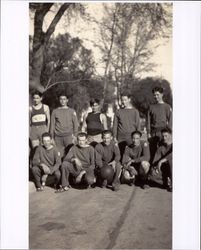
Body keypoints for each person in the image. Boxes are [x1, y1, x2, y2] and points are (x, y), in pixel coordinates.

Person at [147, 86, 172, 162]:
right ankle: (152, 171)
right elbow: (148, 121)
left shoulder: (167, 106)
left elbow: (171, 120)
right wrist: (148, 133)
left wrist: (169, 133)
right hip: (153, 133)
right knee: (152, 151)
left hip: (163, 133)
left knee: (162, 151)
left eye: (157, 94)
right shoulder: (151, 107)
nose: (156, 97)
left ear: (162, 94)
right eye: (154, 95)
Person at [113, 92, 141, 158]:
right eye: (122, 100)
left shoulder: (135, 111)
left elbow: (138, 125)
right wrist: (114, 136)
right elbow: (115, 125)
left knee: (132, 155)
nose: (123, 102)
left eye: (125, 100)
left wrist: (138, 136)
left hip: (131, 137)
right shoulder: (118, 111)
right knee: (121, 155)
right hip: (120, 137)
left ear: (129, 99)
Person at [50, 94, 78, 158]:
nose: (62, 101)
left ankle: (67, 167)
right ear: (59, 100)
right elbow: (52, 125)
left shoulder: (72, 111)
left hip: (69, 137)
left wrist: (75, 136)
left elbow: (75, 124)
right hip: (58, 138)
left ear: (67, 100)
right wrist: (52, 137)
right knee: (59, 155)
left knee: (70, 156)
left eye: (64, 99)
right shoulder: (55, 111)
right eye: (61, 99)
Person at [152, 128, 172, 192]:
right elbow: (155, 161)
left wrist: (162, 161)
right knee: (151, 174)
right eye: (163, 136)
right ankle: (166, 182)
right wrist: (155, 168)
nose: (164, 138)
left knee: (171, 161)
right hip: (164, 169)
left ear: (170, 135)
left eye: (166, 136)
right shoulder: (161, 147)